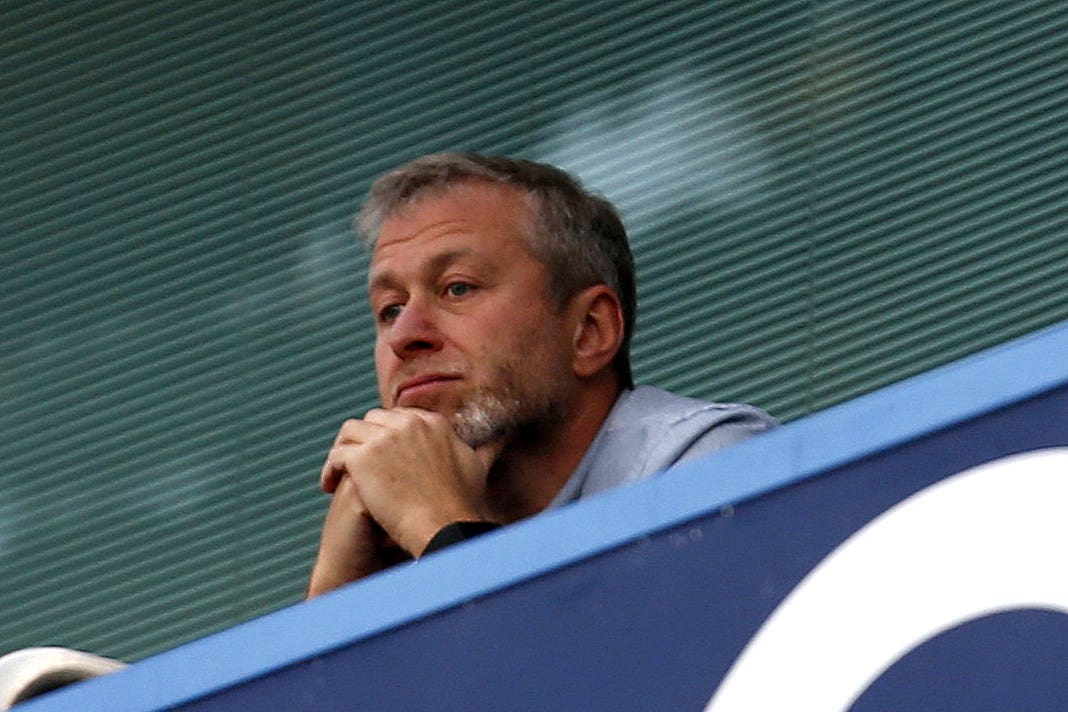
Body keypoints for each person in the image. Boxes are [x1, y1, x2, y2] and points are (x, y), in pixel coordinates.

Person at [306, 153, 776, 597]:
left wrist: (442, 530)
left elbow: (618, 677)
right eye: (390, 310)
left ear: (588, 331)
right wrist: (336, 593)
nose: (404, 336)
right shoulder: (400, 550)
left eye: (457, 288)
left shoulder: (711, 465)